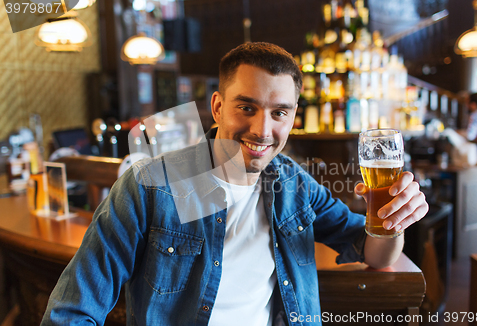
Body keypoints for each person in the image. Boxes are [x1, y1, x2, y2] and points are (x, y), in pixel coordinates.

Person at [41, 42, 428, 325]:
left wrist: (392, 221)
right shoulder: (149, 186)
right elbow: (72, 311)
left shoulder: (296, 185)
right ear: (217, 107)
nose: (262, 129)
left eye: (279, 112)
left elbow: (376, 253)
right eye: (247, 107)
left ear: (293, 117)